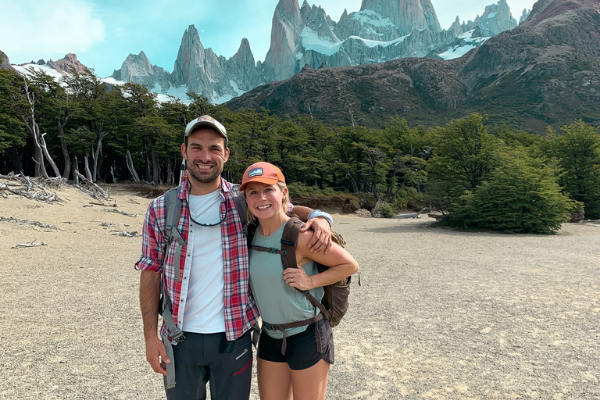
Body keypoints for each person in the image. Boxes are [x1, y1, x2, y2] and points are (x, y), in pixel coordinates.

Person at [135, 115, 333, 400]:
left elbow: (286, 208)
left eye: (214, 148)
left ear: (226, 154)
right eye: (197, 147)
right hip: (178, 340)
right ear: (183, 151)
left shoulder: (244, 202)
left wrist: (320, 218)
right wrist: (150, 337)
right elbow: (150, 272)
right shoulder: (161, 209)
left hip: (235, 338)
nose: (205, 156)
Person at [240, 162, 359, 400]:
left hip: (308, 334)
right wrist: (318, 215)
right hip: (270, 335)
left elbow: (349, 265)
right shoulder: (250, 233)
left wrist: (310, 281)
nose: (261, 198)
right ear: (246, 198)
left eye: (268, 190)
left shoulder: (302, 235)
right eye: (253, 192)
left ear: (283, 193)